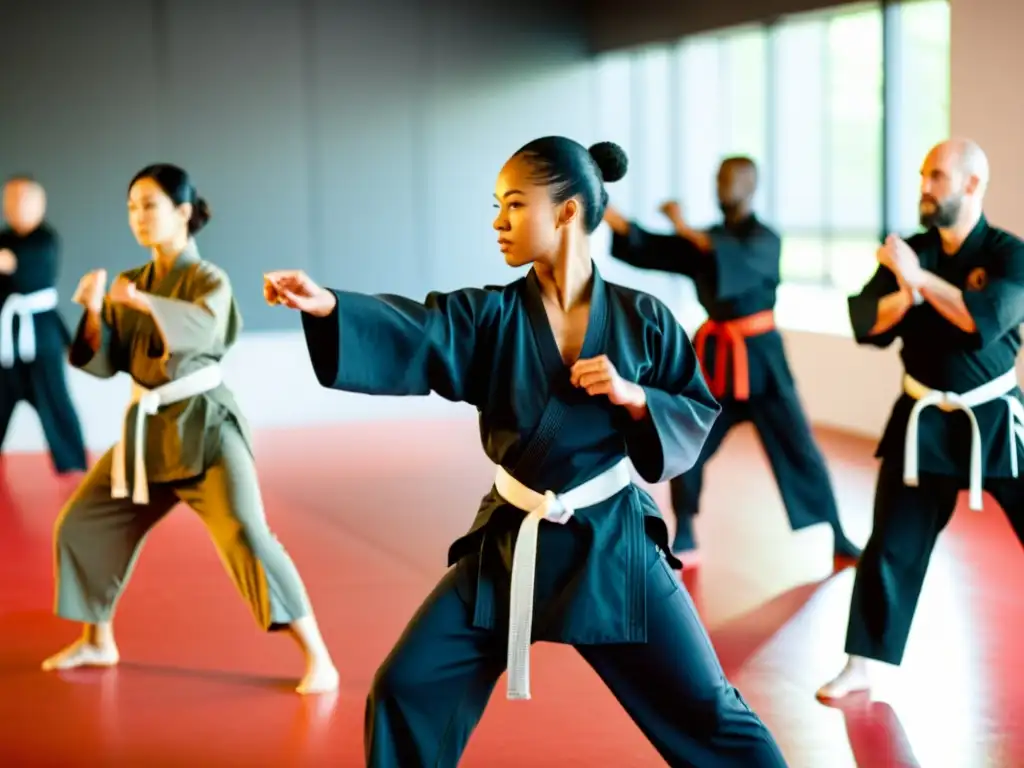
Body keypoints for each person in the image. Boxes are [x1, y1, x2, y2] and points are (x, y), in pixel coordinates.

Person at [265, 137, 789, 767]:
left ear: (567, 212)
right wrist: (328, 308)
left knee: (708, 711)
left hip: (612, 546)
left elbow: (696, 406)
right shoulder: (492, 316)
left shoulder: (644, 318)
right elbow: (423, 330)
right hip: (511, 542)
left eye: (514, 205)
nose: (498, 222)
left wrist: (636, 399)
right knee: (406, 688)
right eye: (496, 206)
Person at [41, 163, 338, 695]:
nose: (138, 217)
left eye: (150, 205)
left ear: (182, 212)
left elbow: (203, 332)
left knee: (247, 532)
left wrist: (145, 304)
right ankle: (98, 638)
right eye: (132, 207)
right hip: (147, 436)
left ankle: (319, 656)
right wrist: (91, 312)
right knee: (83, 522)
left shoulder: (208, 280)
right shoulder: (132, 281)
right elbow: (107, 359)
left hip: (206, 427)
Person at [817, 138, 1024, 700]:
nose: (925, 188)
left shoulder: (1009, 254)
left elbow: (983, 319)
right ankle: (861, 663)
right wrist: (904, 292)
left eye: (937, 177)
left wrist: (919, 282)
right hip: (922, 420)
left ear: (972, 185)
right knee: (890, 543)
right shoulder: (912, 250)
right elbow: (867, 321)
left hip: (995, 419)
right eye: (923, 176)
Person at [603, 157, 860, 561]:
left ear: (751, 186)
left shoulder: (765, 239)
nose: (722, 188)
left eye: (730, 181)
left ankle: (836, 531)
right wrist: (601, 206)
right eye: (718, 179)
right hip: (716, 362)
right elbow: (651, 246)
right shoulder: (707, 240)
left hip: (763, 363)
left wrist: (681, 223)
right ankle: (685, 524)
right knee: (687, 440)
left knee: (800, 448)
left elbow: (714, 251)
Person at [0, 175, 88, 474]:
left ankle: (74, 465)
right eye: (9, 199)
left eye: (23, 198)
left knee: (55, 402)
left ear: (40, 203)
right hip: (5, 341)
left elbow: (11, 264)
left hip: (40, 337)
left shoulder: (44, 240)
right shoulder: (4, 238)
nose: (15, 205)